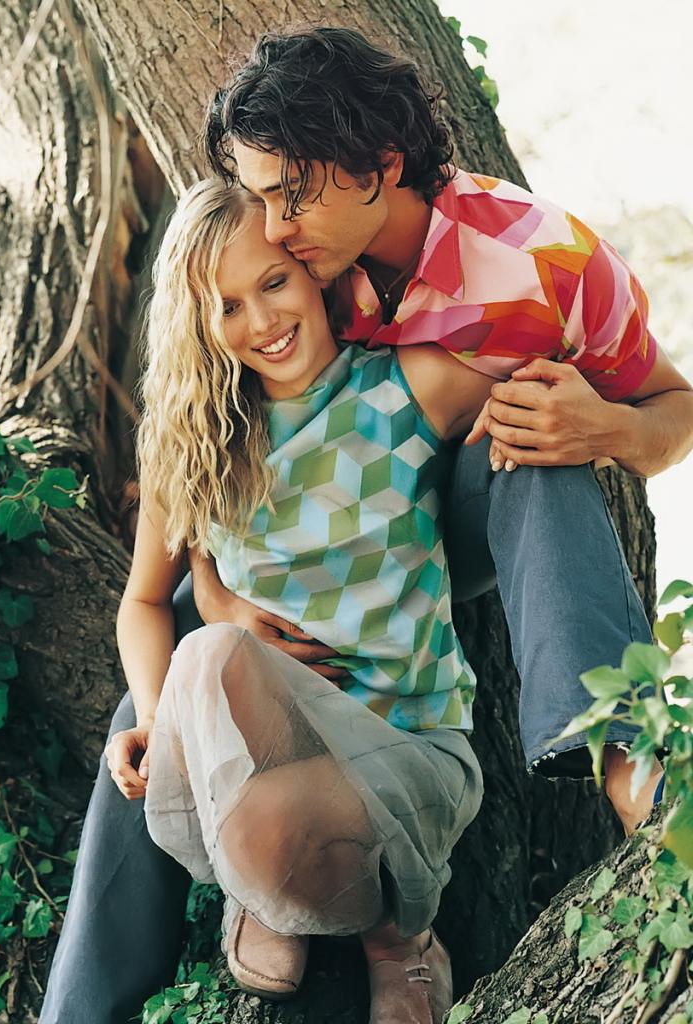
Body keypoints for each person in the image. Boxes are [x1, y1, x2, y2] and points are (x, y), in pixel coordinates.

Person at [39, 28, 691, 1024]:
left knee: (534, 429)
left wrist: (603, 427)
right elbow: (210, 429)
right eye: (258, 196)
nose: (273, 226)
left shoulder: (534, 261)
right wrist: (216, 591)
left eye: (291, 197)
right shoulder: (285, 257)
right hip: (286, 548)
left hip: (452, 511)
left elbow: (671, 409)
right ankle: (91, 1004)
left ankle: (625, 755)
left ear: (379, 168)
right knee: (168, 688)